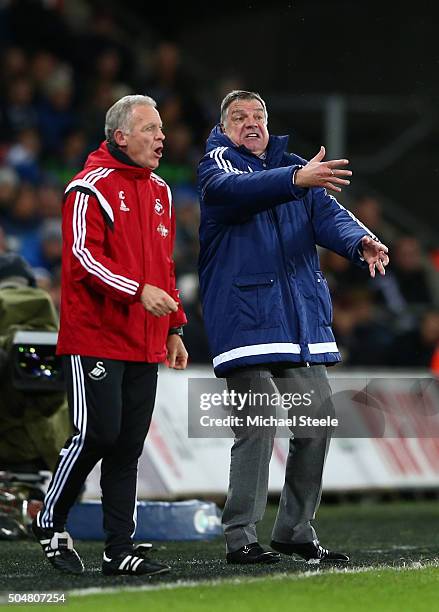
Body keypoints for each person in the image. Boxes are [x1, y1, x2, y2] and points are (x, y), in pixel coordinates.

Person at [197, 90, 389, 565]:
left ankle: (295, 530)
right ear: (225, 128)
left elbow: (328, 214)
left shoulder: (295, 168)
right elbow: (234, 194)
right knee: (257, 427)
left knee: (316, 424)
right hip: (245, 321)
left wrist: (360, 240)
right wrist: (294, 179)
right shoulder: (217, 164)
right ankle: (240, 535)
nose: (251, 122)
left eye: (258, 114)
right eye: (239, 117)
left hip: (297, 320)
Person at [32, 95, 188, 576]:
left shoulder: (161, 191)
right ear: (121, 136)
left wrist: (176, 326)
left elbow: (164, 267)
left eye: (162, 129)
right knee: (95, 433)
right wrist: (138, 292)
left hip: (144, 337)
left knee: (128, 446)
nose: (161, 137)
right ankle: (49, 518)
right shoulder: (87, 188)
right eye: (150, 129)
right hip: (95, 335)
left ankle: (119, 549)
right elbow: (81, 257)